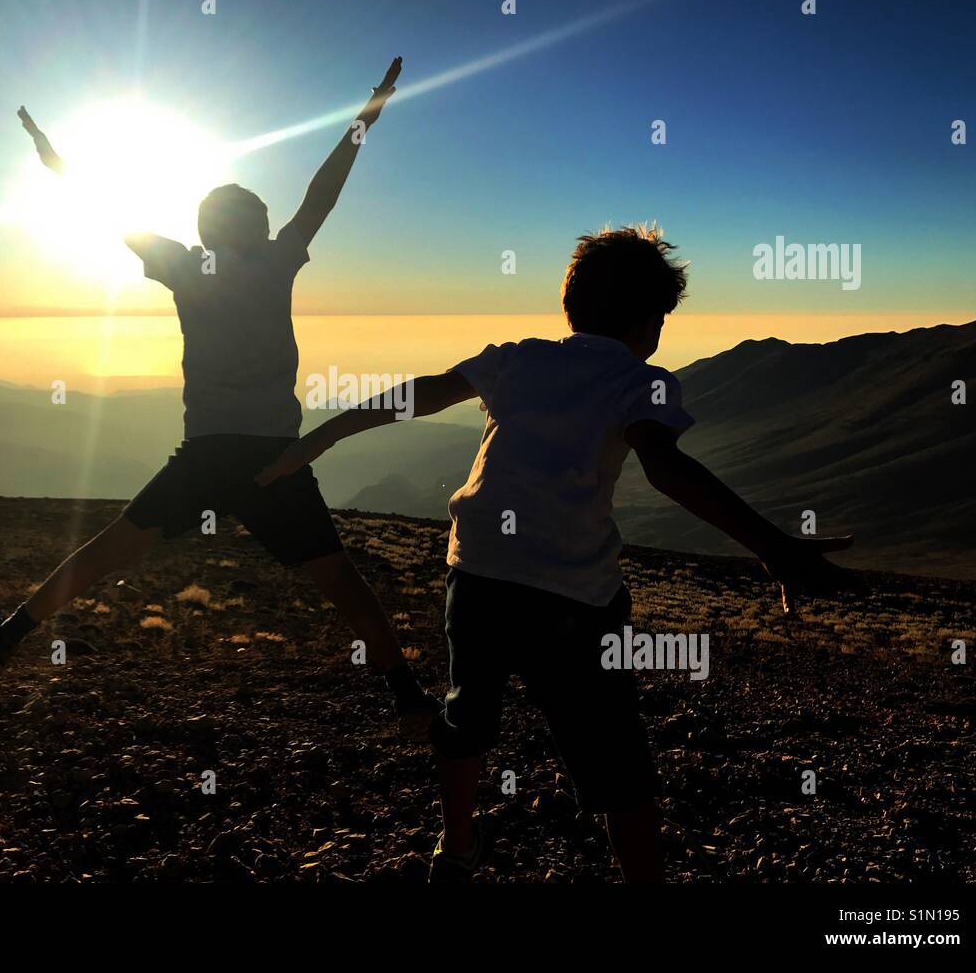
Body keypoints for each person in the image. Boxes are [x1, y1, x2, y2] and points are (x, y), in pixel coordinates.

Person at [255, 223, 857, 881]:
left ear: (570, 305)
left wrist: (329, 432)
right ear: (653, 322)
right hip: (575, 596)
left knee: (467, 712)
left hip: (477, 571)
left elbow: (424, 391)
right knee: (615, 758)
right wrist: (772, 546)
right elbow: (664, 466)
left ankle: (455, 848)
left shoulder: (519, 357)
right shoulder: (642, 381)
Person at [0, 57, 441, 738]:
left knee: (112, 546)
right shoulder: (276, 260)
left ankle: (9, 634)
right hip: (275, 456)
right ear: (256, 224)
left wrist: (53, 160)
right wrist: (370, 112)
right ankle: (409, 696)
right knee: (341, 580)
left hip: (206, 455)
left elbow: (106, 211)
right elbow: (324, 191)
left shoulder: (184, 264)